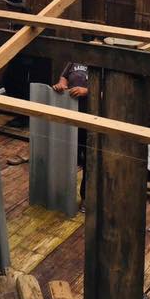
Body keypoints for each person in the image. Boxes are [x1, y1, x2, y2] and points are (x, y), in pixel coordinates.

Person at [53, 62, 91, 206]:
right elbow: (63, 78)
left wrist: (87, 91)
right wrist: (60, 85)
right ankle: (61, 195)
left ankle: (86, 198)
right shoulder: (73, 62)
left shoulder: (101, 62)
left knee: (89, 160)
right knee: (66, 156)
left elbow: (107, 90)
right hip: (69, 116)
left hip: (89, 117)